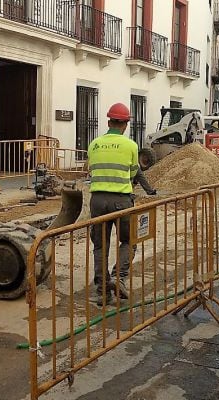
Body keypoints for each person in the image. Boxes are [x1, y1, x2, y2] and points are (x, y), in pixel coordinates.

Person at [87, 103, 139, 304]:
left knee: (100, 246)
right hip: (121, 200)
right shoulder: (131, 146)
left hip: (98, 201)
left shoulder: (94, 144)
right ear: (125, 124)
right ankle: (119, 278)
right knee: (129, 240)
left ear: (108, 121)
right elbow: (133, 173)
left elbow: (91, 169)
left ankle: (102, 291)